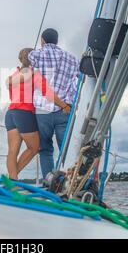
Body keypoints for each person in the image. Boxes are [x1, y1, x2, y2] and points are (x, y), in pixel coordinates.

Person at [5, 48, 71, 180]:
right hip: (24, 113)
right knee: (34, 148)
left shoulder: (14, 75)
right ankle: (11, 179)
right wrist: (64, 105)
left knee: (12, 151)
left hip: (10, 113)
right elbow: (48, 93)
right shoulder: (35, 74)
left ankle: (10, 181)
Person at [28, 28, 80, 179]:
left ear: (43, 40)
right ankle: (69, 180)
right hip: (64, 109)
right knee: (66, 148)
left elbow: (29, 68)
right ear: (57, 41)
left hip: (42, 111)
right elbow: (80, 79)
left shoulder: (35, 54)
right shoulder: (72, 59)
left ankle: (49, 182)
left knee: (45, 149)